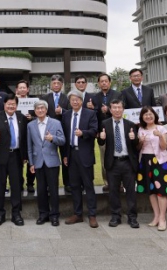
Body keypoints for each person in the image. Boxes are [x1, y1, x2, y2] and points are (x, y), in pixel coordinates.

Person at [97, 99, 140, 228]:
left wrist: (134, 138)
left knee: (131, 191)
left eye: (119, 107)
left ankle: (132, 217)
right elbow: (100, 143)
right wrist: (101, 138)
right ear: (110, 110)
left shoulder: (130, 124)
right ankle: (116, 216)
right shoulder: (104, 124)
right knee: (113, 191)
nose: (117, 110)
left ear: (123, 109)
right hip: (113, 162)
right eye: (114, 108)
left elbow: (135, 144)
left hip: (127, 162)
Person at [0, 94, 28, 226]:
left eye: (13, 104)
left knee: (16, 185)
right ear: (4, 105)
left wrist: (25, 156)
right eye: (8, 104)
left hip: (16, 156)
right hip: (0, 156)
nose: (11, 106)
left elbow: (24, 138)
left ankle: (16, 213)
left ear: (17, 105)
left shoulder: (21, 118)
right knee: (0, 185)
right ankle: (0, 213)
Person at [62, 90, 98, 228]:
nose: (75, 102)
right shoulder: (66, 115)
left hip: (85, 154)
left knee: (88, 185)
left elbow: (94, 131)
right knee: (75, 186)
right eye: (72, 100)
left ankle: (92, 215)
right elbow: (65, 136)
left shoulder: (90, 113)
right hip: (71, 154)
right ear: (70, 102)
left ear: (82, 101)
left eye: (77, 99)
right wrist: (65, 155)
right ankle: (77, 214)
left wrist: (83, 133)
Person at [136, 106, 167, 231]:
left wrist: (160, 136)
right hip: (145, 161)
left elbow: (164, 147)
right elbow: (138, 148)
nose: (148, 116)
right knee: (151, 190)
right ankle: (156, 216)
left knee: (161, 190)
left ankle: (162, 218)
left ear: (155, 115)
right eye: (145, 114)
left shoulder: (161, 128)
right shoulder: (141, 129)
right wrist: (141, 141)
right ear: (142, 117)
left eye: (150, 114)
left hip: (159, 161)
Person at [27, 100, 65, 226]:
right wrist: (31, 163)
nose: (40, 110)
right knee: (41, 190)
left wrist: (53, 138)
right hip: (38, 162)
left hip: (52, 161)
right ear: (35, 111)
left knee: (53, 190)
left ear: (46, 110)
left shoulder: (55, 123)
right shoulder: (30, 125)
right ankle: (43, 214)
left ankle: (54, 215)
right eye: (38, 108)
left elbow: (62, 140)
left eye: (42, 108)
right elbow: (30, 146)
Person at [89, 73, 119, 192]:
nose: (104, 83)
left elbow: (122, 110)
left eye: (106, 81)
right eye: (101, 81)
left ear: (110, 82)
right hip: (102, 132)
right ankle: (107, 182)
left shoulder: (117, 95)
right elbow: (94, 116)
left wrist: (109, 110)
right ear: (99, 83)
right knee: (104, 157)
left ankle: (120, 183)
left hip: (117, 130)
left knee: (118, 156)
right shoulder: (95, 97)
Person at [15, 79, 36, 193]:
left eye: (24, 87)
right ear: (17, 89)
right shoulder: (13, 102)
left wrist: (32, 118)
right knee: (18, 160)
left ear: (28, 89)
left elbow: (41, 114)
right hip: (18, 135)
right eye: (20, 88)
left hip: (31, 134)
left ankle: (30, 183)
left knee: (31, 159)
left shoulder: (34, 102)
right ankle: (19, 183)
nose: (22, 89)